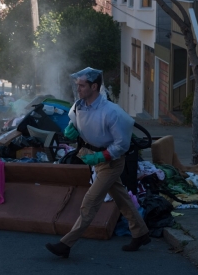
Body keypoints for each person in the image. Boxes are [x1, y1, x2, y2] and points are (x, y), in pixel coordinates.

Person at [45, 67, 150, 258]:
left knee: (90, 202)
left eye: (82, 85)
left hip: (111, 162)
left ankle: (66, 244)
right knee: (122, 198)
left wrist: (103, 157)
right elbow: (76, 123)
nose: (78, 89)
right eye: (77, 85)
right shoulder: (79, 106)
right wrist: (72, 129)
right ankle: (141, 233)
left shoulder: (111, 112)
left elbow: (122, 144)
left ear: (94, 86)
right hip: (94, 158)